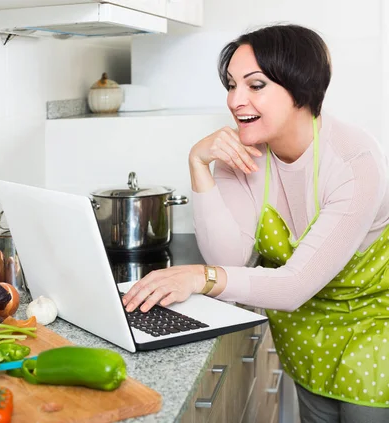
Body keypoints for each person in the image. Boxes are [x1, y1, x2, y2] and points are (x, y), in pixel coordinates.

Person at [122, 24, 389, 422]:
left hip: (371, 330)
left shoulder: (354, 161)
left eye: (255, 85)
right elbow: (228, 257)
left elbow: (294, 282)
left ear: (301, 87)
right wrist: (199, 164)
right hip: (301, 335)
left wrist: (198, 276)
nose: (235, 100)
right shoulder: (249, 151)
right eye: (231, 85)